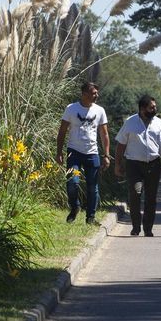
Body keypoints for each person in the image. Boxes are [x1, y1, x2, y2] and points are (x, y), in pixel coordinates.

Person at [114, 95, 161, 237]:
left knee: (151, 198)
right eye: (151, 107)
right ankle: (136, 226)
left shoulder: (159, 123)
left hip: (154, 165)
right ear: (142, 109)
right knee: (135, 194)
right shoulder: (130, 122)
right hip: (134, 165)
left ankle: (148, 228)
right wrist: (117, 164)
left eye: (155, 107)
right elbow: (121, 145)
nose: (155, 109)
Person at [56, 81, 110, 225]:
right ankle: (75, 207)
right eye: (93, 93)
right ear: (84, 94)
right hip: (74, 153)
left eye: (97, 93)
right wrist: (59, 152)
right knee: (72, 183)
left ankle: (91, 217)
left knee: (93, 187)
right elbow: (62, 131)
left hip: (92, 153)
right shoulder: (71, 109)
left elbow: (104, 134)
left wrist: (106, 155)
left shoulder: (99, 110)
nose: (96, 95)